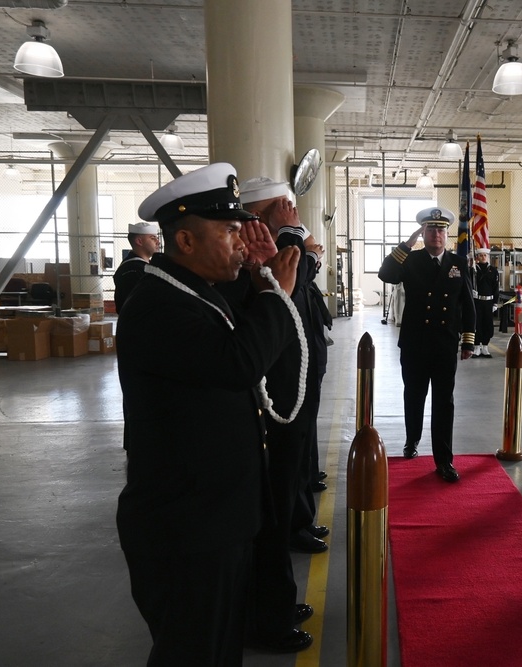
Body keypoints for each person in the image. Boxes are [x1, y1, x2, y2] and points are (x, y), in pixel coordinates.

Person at [115, 162, 300, 666]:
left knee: (217, 649)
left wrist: (264, 275)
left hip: (213, 518)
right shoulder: (157, 304)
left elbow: (241, 313)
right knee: (193, 651)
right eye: (229, 231)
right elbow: (239, 360)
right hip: (186, 527)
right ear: (187, 242)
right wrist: (276, 293)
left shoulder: (193, 290)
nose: (242, 243)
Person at [227, 176, 324, 653]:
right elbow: (292, 282)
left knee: (278, 503)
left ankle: (277, 601)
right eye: (278, 206)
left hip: (289, 395)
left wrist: (288, 237)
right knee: (270, 511)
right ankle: (270, 612)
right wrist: (291, 234)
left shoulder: (265, 259)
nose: (289, 209)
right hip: (274, 400)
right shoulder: (250, 266)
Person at [378, 207, 475, 483]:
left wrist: (468, 339)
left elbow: (466, 303)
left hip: (445, 344)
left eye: (441, 230)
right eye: (431, 230)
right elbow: (386, 274)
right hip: (415, 343)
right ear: (424, 233)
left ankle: (444, 460)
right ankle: (412, 441)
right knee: (414, 395)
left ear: (447, 235)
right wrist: (407, 244)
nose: (436, 235)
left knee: (444, 402)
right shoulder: (411, 259)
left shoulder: (458, 262)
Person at [113, 221, 160, 313]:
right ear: (139, 241)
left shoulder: (144, 266)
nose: (158, 242)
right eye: (153, 238)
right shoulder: (131, 270)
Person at [472, 247, 500, 358]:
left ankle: (485, 347)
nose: (483, 257)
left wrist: (495, 303)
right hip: (477, 301)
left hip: (488, 302)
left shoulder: (493, 271)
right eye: (481, 255)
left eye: (485, 255)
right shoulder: (474, 270)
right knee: (477, 323)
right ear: (477, 257)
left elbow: (495, 288)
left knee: (487, 324)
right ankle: (477, 347)